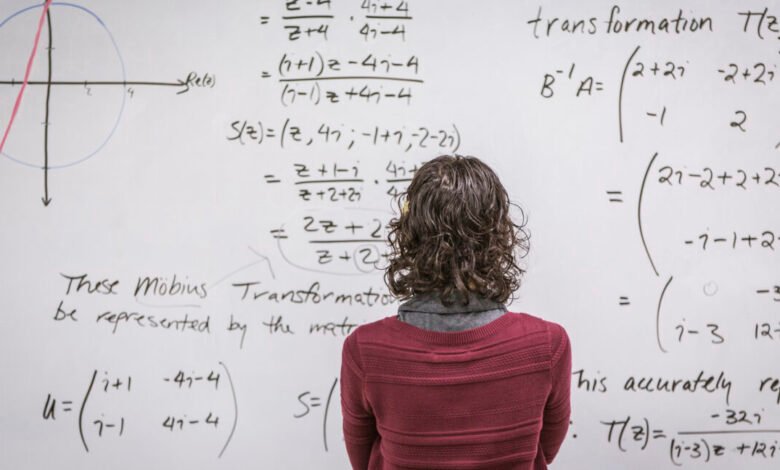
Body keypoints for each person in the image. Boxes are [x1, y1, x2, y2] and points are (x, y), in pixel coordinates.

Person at [340, 155, 571, 469]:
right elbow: (543, 451)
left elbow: (363, 460)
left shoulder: (366, 350)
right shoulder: (547, 345)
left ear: (411, 232)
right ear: (499, 233)